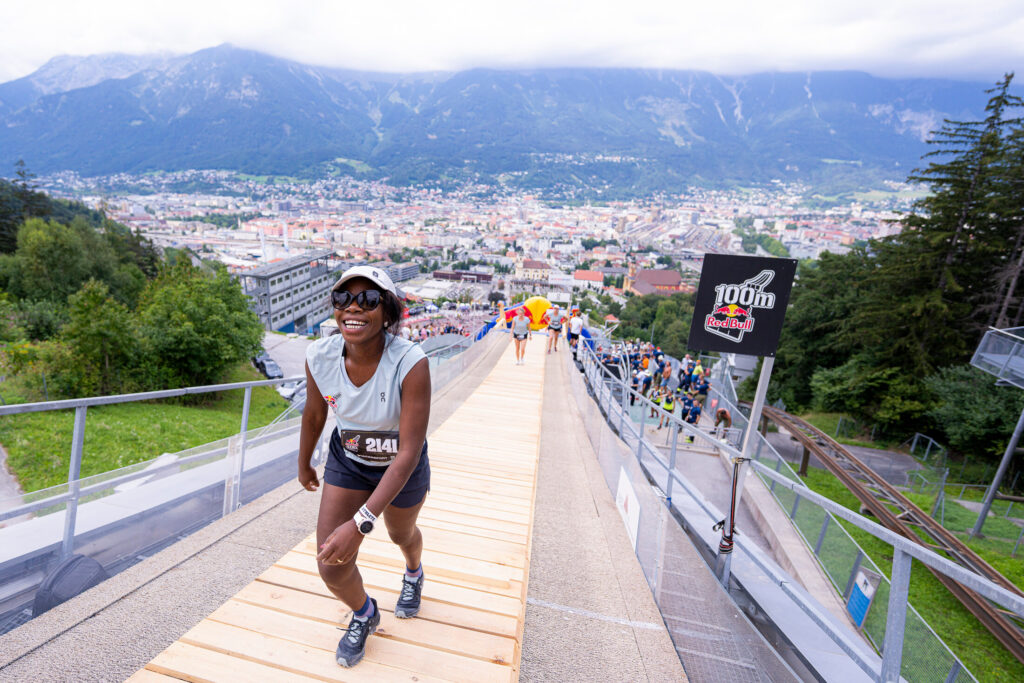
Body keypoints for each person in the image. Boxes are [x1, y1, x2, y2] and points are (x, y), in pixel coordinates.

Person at [297, 265, 431, 669]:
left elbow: (407, 452)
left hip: (400, 467)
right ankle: (364, 613)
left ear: (387, 312)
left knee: (400, 533)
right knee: (329, 560)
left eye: (369, 299)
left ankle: (413, 572)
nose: (354, 307)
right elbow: (314, 414)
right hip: (350, 460)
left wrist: (360, 524)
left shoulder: (411, 362)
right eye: (344, 298)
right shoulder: (318, 356)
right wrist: (303, 462)